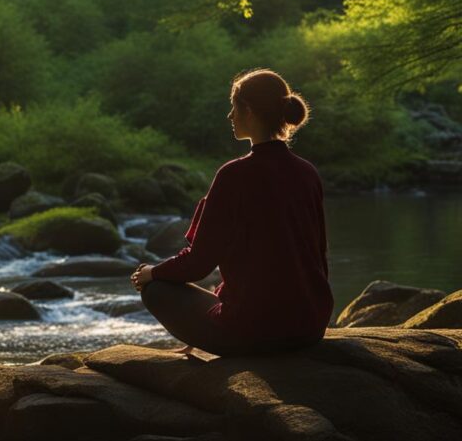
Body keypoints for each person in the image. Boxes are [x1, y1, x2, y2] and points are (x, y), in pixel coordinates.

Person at [130, 68, 333, 357]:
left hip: (255, 334)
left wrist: (152, 273)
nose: (230, 116)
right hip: (310, 328)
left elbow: (198, 264)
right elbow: (316, 255)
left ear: (248, 110)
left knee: (157, 290)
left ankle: (212, 337)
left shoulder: (234, 175)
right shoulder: (307, 173)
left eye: (233, 107)